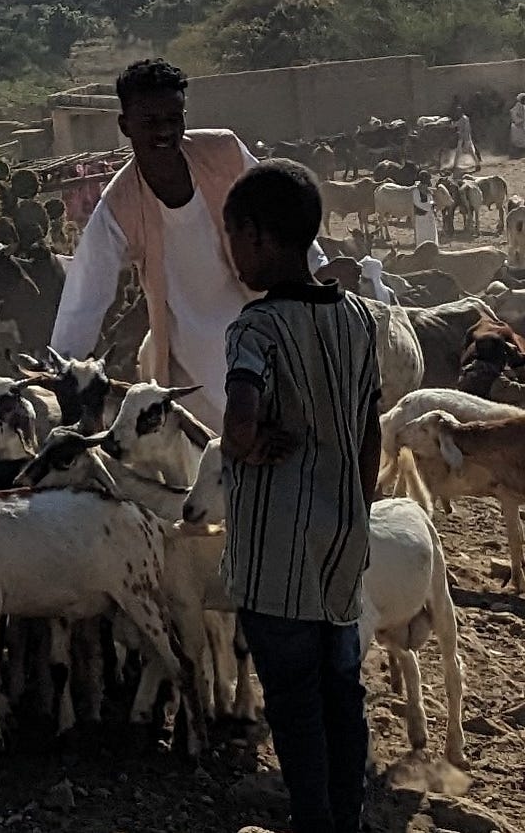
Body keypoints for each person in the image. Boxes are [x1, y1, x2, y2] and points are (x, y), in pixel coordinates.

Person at [219, 160, 381, 833]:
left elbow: (238, 419)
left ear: (258, 237)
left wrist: (247, 446)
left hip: (274, 552)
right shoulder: (361, 320)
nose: (232, 254)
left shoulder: (255, 328)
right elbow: (370, 430)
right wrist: (356, 508)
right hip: (342, 539)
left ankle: (313, 819)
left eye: (233, 238)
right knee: (343, 691)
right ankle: (348, 816)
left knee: (293, 698)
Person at [50, 58, 328, 433]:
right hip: (190, 356)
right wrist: (61, 368)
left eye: (174, 119)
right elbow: (85, 296)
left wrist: (317, 269)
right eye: (150, 122)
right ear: (125, 126)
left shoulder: (225, 152)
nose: (164, 132)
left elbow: (278, 206)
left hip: (261, 322)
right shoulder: (119, 205)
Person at [450, 100, 479, 172]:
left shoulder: (463, 119)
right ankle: (477, 165)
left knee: (461, 152)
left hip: (464, 139)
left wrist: (463, 139)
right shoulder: (464, 119)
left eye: (458, 111)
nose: (457, 113)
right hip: (466, 138)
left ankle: (455, 166)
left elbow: (462, 128)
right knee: (470, 152)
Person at [413, 171, 438, 247]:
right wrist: (430, 205)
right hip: (421, 218)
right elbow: (418, 203)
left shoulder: (428, 192)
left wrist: (433, 205)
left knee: (431, 235)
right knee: (422, 237)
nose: (425, 186)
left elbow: (431, 200)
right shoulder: (416, 191)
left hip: (430, 217)